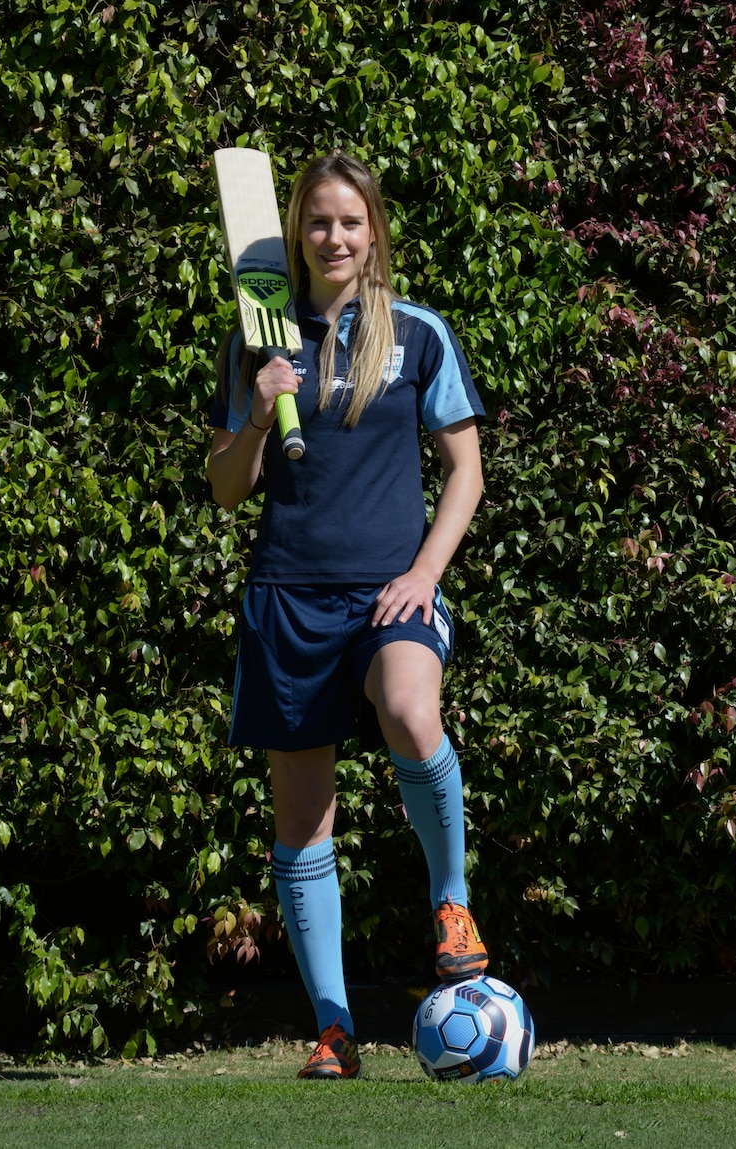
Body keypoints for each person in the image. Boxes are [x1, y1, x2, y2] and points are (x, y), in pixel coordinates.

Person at [207, 153, 487, 1080]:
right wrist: (256, 414)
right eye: (319, 223)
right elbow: (223, 490)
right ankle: (334, 1029)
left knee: (412, 710)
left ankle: (451, 901)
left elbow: (466, 471)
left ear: (375, 233)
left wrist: (424, 573)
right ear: (297, 233)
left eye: (351, 222)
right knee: (302, 822)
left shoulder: (418, 334)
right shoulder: (259, 338)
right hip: (286, 595)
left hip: (388, 594)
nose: (335, 237)